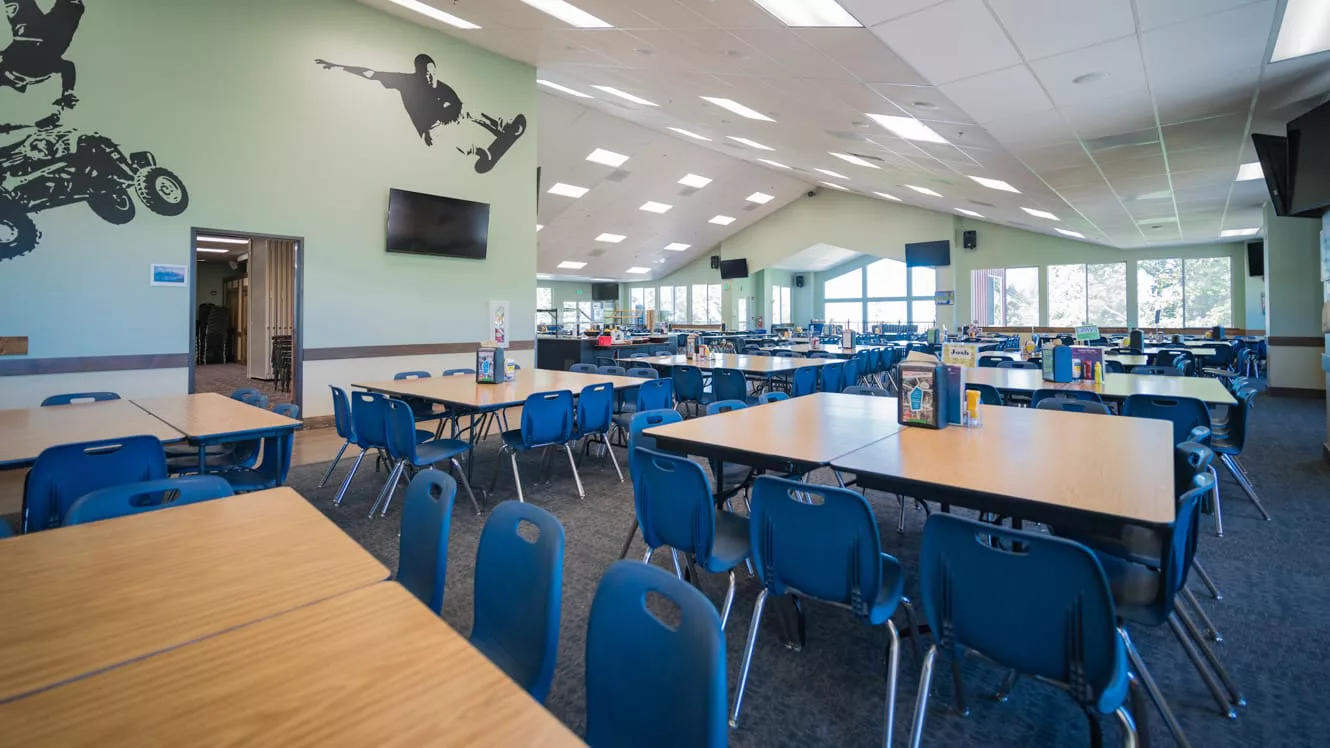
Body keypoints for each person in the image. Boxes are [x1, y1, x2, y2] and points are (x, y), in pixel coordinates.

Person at [314, 53, 463, 146]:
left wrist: (446, 118)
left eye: (433, 73)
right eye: (426, 74)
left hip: (443, 131)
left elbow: (458, 106)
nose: (431, 78)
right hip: (421, 136)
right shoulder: (406, 81)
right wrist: (339, 67)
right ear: (418, 73)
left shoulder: (444, 89)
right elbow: (372, 74)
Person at [0, 0, 85, 109]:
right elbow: (68, 67)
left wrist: (68, 92)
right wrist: (67, 92)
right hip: (34, 52)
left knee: (70, 9)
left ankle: (72, 5)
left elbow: (68, 66)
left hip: (38, 55)